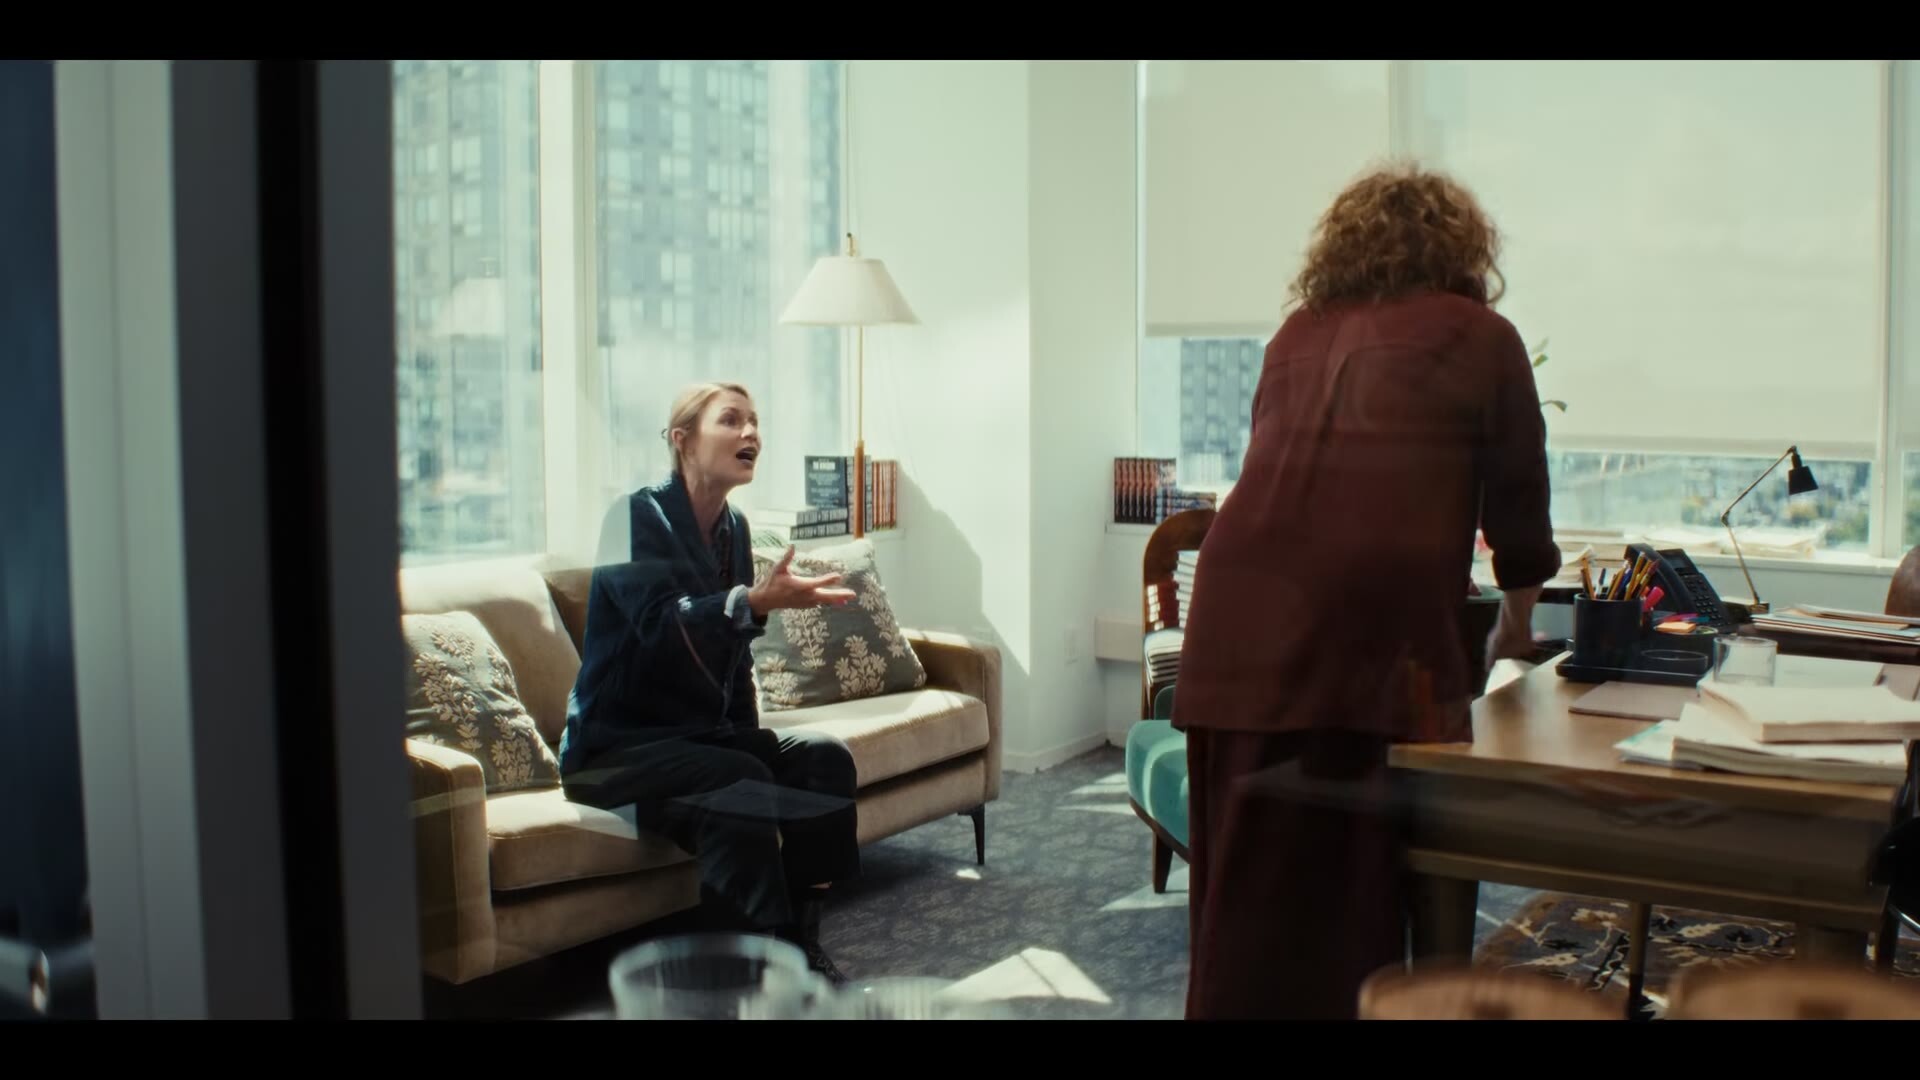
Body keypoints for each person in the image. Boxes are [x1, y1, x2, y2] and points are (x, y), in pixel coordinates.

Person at [1172, 164, 1560, 1019]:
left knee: (1243, 903)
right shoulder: (1483, 336)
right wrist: (1514, 626)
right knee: (1347, 898)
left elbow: (1287, 480)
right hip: (1363, 633)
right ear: (1461, 247)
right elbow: (1520, 510)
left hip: (1232, 624)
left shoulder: (1293, 334)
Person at [559, 381, 861, 981]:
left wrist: (748, 734)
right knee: (737, 776)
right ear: (683, 440)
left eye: (755, 421)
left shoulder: (735, 527)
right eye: (731, 420)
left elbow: (733, 654)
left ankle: (799, 941)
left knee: (822, 759)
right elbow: (659, 625)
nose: (751, 433)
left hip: (700, 739)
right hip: (616, 753)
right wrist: (750, 601)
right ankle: (743, 968)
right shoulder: (632, 518)